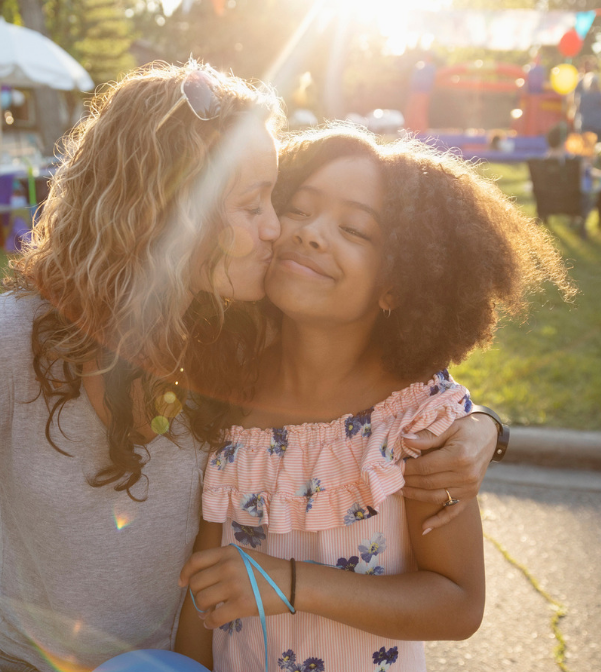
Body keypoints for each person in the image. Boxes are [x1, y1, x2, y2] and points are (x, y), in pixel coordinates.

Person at [0, 63, 504, 672]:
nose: (279, 230)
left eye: (275, 200)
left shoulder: (227, 351)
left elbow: (364, 395)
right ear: (170, 212)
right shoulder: (13, 342)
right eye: (259, 204)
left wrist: (486, 429)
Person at [176, 125, 573, 670]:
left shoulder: (420, 424)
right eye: (297, 208)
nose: (312, 234)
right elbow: (202, 595)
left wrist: (291, 583)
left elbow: (459, 604)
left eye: (356, 230)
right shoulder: (225, 393)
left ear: (397, 283)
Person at [570, 57, 601, 165]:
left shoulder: (583, 96)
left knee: (585, 148)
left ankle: (585, 166)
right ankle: (589, 165)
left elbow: (576, 106)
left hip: (586, 123)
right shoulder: (600, 95)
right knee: (592, 148)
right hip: (596, 125)